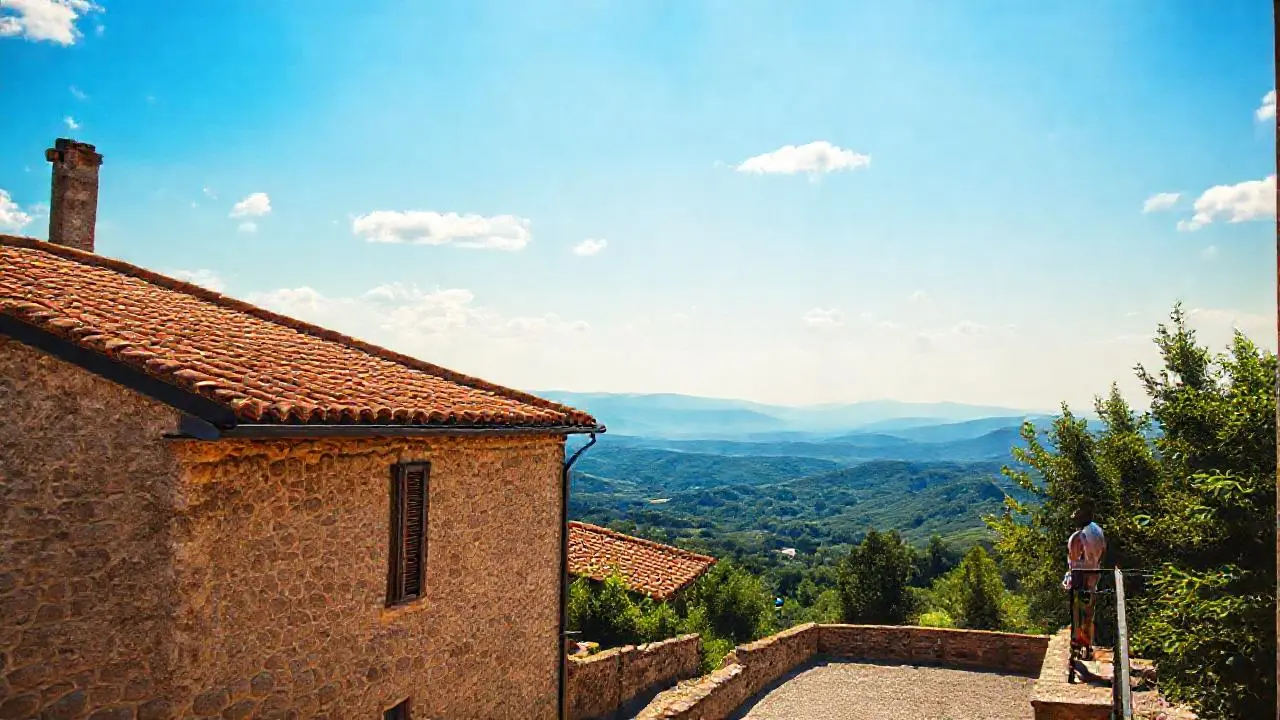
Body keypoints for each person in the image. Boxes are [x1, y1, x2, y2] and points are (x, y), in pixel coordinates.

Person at [1061, 506, 1106, 658]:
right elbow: (1102, 552)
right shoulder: (1098, 531)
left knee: (1077, 611)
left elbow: (1077, 558)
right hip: (1094, 574)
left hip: (1081, 576)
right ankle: (1088, 644)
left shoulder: (1079, 536)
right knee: (1089, 611)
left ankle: (1077, 643)